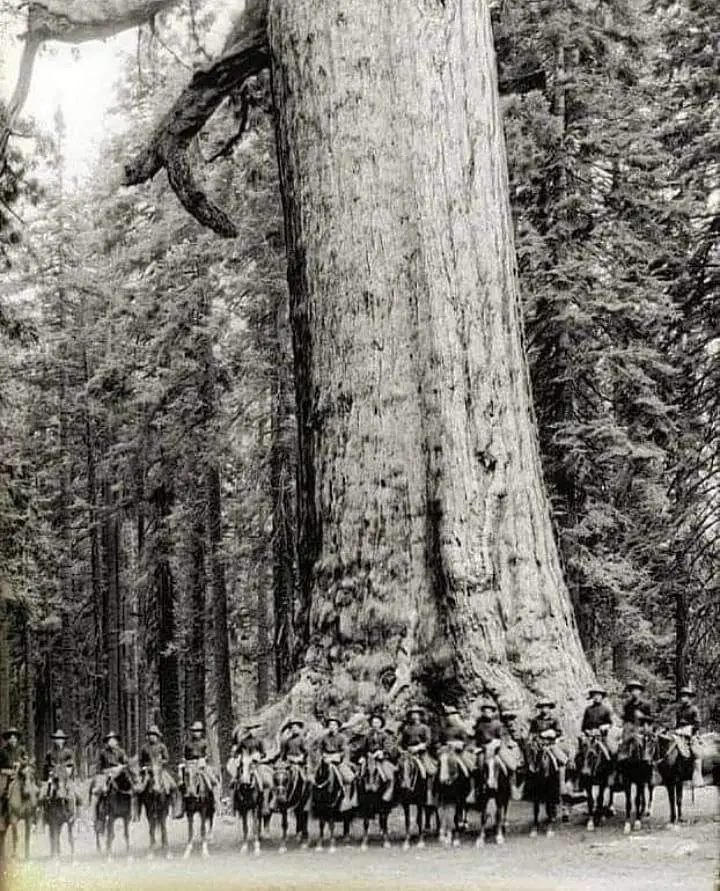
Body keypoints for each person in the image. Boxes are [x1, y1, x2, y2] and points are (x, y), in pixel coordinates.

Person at [528, 700, 569, 792]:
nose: (544, 709)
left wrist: (553, 733)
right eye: (542, 707)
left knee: (562, 760)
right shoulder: (535, 720)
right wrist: (537, 736)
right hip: (539, 744)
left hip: (551, 744)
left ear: (550, 709)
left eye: (546, 707)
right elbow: (531, 732)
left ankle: (562, 783)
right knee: (532, 759)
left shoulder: (554, 720)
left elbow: (559, 732)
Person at [399, 705, 437, 803]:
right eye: (412, 714)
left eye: (416, 714)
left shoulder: (425, 728)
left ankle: (429, 794)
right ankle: (401, 789)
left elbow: (428, 741)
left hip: (421, 753)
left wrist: (419, 747)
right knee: (400, 767)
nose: (414, 716)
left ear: (420, 716)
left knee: (429, 770)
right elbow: (401, 742)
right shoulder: (406, 728)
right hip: (408, 753)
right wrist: (402, 750)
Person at [319, 715, 357, 811]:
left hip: (338, 761)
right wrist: (323, 756)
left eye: (334, 725)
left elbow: (345, 750)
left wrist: (336, 757)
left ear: (337, 726)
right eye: (330, 725)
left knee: (348, 777)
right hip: (325, 760)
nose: (332, 726)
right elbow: (320, 749)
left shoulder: (342, 738)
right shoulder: (324, 738)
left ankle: (347, 799)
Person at [359, 712, 396, 802]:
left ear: (380, 724)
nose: (375, 725)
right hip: (369, 758)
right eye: (373, 723)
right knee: (359, 774)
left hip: (381, 759)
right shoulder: (368, 735)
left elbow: (388, 747)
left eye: (377, 723)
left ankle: (388, 792)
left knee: (389, 775)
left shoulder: (385, 735)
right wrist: (364, 755)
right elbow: (364, 747)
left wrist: (381, 752)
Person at [578, 687, 615, 771]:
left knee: (611, 751)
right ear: (592, 697)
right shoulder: (588, 709)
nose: (596, 697)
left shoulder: (606, 710)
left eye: (599, 695)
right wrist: (587, 731)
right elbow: (584, 726)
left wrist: (605, 726)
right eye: (595, 695)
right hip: (589, 736)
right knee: (580, 752)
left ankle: (611, 772)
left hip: (601, 737)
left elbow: (610, 723)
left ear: (602, 697)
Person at [618, 681, 653, 762]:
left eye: (636, 690)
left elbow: (650, 719)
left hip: (641, 727)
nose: (634, 692)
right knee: (622, 739)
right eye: (632, 690)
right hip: (630, 728)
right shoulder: (627, 705)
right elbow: (626, 719)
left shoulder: (645, 705)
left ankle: (647, 756)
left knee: (647, 739)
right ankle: (622, 757)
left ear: (640, 691)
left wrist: (642, 717)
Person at [675, 687, 703, 786]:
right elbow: (677, 723)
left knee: (695, 751)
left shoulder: (694, 709)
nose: (683, 698)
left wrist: (688, 730)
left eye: (685, 696)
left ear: (689, 698)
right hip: (679, 733)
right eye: (682, 696)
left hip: (691, 733)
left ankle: (698, 776)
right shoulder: (679, 710)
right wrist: (677, 730)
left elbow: (697, 723)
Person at [138, 725, 176, 795]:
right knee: (140, 787)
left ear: (157, 737)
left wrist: (161, 762)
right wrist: (143, 767)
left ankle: (172, 799)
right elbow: (141, 760)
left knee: (172, 784)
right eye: (150, 735)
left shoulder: (162, 746)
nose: (152, 737)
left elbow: (166, 758)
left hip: (159, 768)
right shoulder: (144, 748)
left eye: (154, 735)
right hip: (148, 769)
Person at [91, 731, 128, 801]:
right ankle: (95, 807)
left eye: (114, 740)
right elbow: (99, 767)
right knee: (99, 790)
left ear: (117, 741)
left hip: (120, 772)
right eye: (110, 740)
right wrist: (107, 771)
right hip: (107, 774)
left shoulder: (121, 752)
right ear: (107, 742)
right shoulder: (103, 752)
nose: (112, 742)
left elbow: (126, 763)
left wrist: (121, 767)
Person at [41, 729, 76, 801]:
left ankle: (77, 807)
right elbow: (46, 765)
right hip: (53, 774)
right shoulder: (50, 752)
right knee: (47, 787)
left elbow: (72, 764)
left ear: (64, 740)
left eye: (61, 739)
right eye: (57, 739)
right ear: (54, 740)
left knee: (73, 791)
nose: (59, 741)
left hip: (65, 774)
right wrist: (49, 771)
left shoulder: (68, 752)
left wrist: (69, 770)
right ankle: (45, 801)